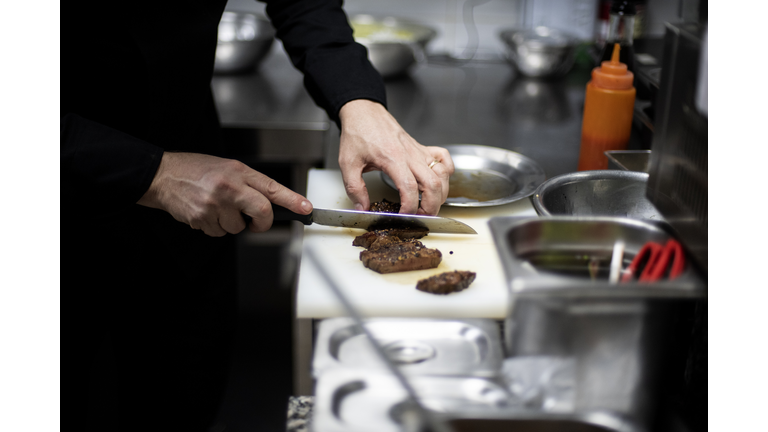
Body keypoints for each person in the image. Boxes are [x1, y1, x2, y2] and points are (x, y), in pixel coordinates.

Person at [62, 0, 453, 430]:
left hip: (199, 205)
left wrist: (358, 100)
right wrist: (152, 172)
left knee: (182, 402)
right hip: (62, 219)